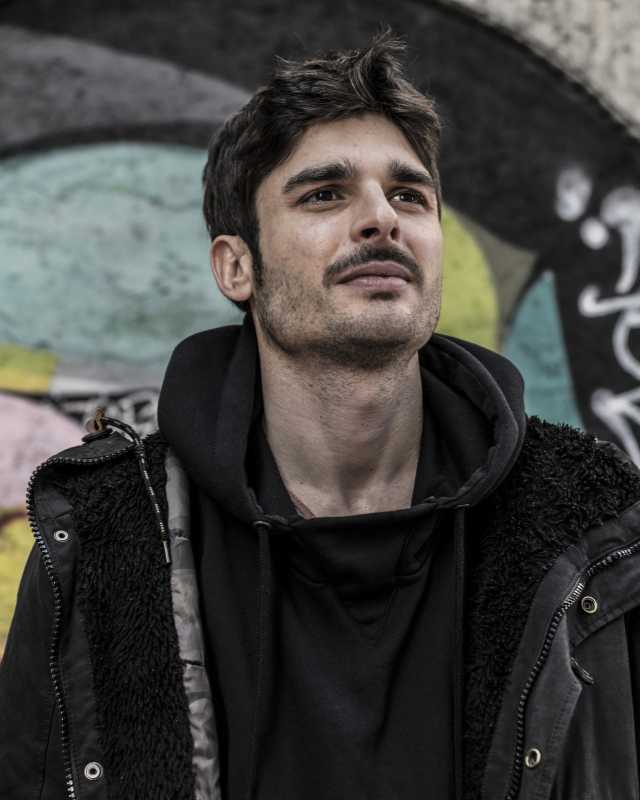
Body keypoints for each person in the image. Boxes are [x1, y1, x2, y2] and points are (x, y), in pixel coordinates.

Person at [2, 30, 640, 800]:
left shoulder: (596, 532)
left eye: (409, 195)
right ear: (237, 267)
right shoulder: (105, 539)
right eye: (325, 194)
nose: (381, 219)